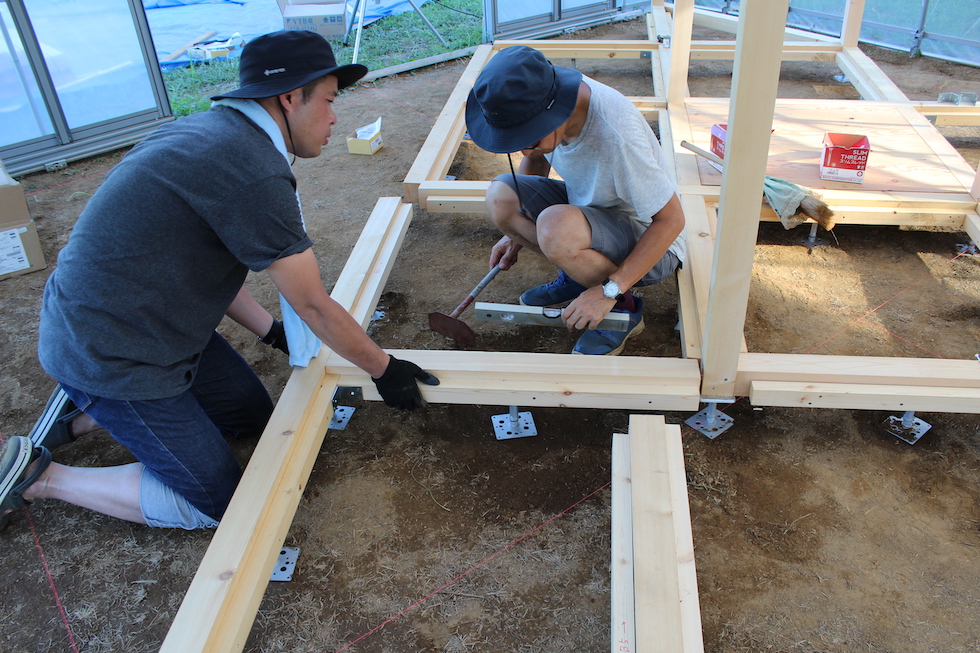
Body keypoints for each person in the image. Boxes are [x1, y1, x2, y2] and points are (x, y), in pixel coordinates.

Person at [0, 31, 438, 531]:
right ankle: (42, 476)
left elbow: (209, 261)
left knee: (250, 418)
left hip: (146, 320)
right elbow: (313, 305)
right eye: (330, 100)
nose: (335, 117)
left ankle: (84, 412)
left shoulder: (212, 134)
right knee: (221, 503)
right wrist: (384, 369)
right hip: (114, 349)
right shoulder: (251, 170)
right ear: (289, 98)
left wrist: (271, 331)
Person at [464, 45, 687, 356]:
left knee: (556, 227)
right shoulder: (551, 100)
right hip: (591, 212)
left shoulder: (617, 134)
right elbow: (537, 164)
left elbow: (672, 221)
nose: (526, 151)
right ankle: (579, 274)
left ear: (553, 113)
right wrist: (514, 231)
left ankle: (622, 308)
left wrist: (610, 291)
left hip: (651, 240)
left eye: (530, 139)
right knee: (501, 197)